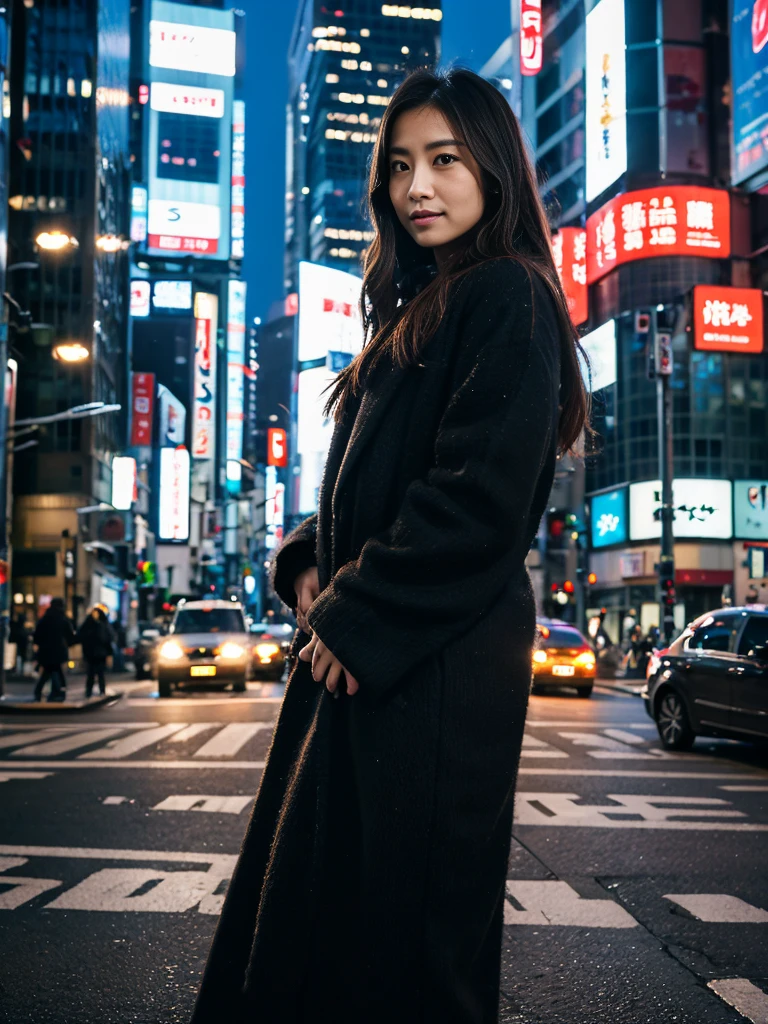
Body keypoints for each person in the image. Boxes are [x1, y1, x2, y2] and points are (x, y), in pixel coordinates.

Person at [191, 68, 591, 1024]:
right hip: (379, 663)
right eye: (402, 164)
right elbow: (361, 496)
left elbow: (475, 500)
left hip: (432, 674)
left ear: (493, 166)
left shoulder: (507, 294)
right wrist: (305, 566)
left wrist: (356, 606)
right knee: (336, 933)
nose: (418, 186)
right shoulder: (428, 304)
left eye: (446, 160)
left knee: (404, 953)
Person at [32, 598, 75, 702]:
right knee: (56, 671)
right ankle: (58, 692)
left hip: (45, 651)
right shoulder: (63, 619)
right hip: (59, 650)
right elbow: (70, 636)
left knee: (48, 671)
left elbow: (37, 636)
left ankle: (42, 692)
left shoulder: (45, 618)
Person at [77, 606, 114, 698]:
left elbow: (107, 639)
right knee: (95, 673)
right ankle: (96, 691)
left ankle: (94, 691)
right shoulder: (101, 624)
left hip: (95, 653)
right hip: (96, 653)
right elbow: (108, 638)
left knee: (95, 673)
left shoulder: (92, 624)